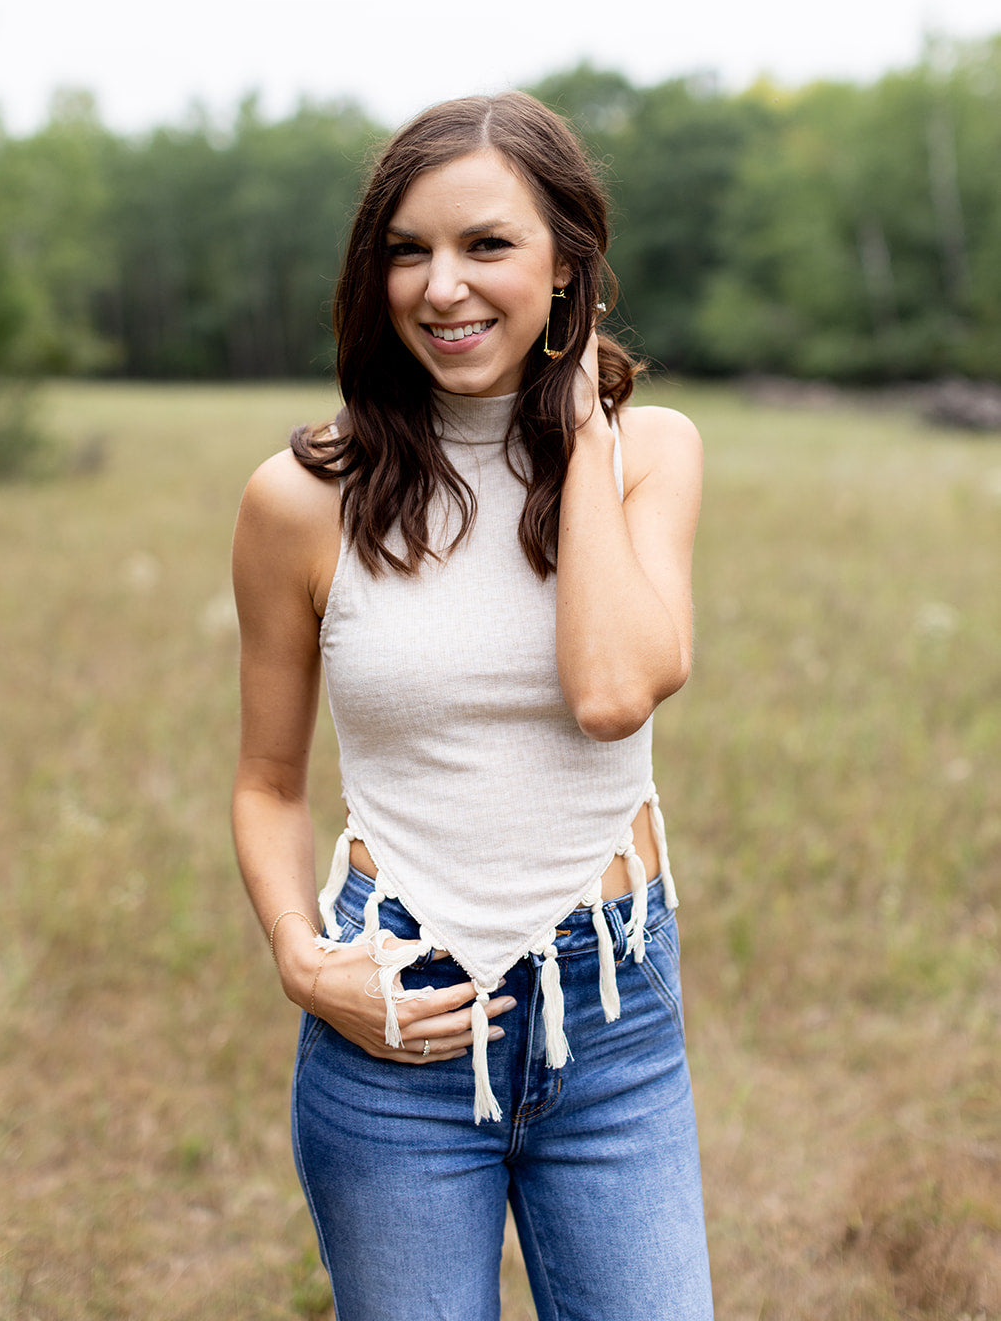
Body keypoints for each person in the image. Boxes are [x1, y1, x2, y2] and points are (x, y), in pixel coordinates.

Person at [231, 92, 713, 1321]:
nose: (440, 286)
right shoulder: (299, 499)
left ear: (567, 271)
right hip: (396, 1013)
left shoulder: (650, 453)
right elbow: (268, 783)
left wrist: (577, 434)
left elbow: (611, 693)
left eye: (485, 245)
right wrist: (303, 962)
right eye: (407, 249)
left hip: (609, 1012)